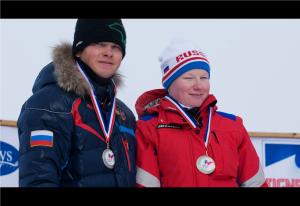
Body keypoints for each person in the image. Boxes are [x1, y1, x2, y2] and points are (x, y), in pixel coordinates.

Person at [17, 19, 136, 187]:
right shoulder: (49, 105)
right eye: (99, 44)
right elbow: (38, 180)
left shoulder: (124, 115)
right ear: (79, 51)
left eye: (115, 47)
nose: (108, 52)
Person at [135, 38, 268, 187]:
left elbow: (255, 183)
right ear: (170, 83)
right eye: (189, 78)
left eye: (204, 78)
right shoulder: (149, 129)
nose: (199, 86)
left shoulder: (233, 126)